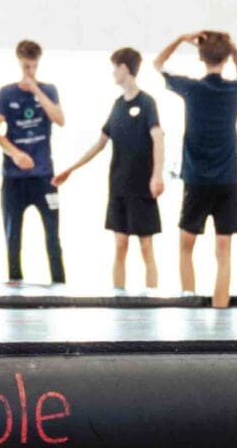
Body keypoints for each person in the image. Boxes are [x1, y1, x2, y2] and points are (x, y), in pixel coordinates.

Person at [57, 48, 166, 290]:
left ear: (124, 68)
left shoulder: (147, 103)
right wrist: (70, 169)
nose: (113, 73)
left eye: (115, 68)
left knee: (146, 246)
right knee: (120, 245)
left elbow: (158, 137)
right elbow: (100, 143)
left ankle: (152, 298)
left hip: (142, 186)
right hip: (119, 185)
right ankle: (118, 296)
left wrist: (157, 175)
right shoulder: (117, 105)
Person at [156, 30, 237, 309]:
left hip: (196, 180)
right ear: (226, 58)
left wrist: (180, 38)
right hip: (227, 180)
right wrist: (233, 49)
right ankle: (220, 308)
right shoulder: (235, 91)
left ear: (200, 56)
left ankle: (189, 304)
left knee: (186, 245)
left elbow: (158, 64)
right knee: (224, 250)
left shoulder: (192, 89)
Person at [0, 41, 67, 284]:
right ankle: (15, 285)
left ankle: (59, 286)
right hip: (14, 178)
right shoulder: (6, 93)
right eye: (26, 66)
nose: (30, 71)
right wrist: (15, 154)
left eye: (34, 66)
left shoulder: (49, 90)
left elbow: (59, 119)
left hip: (44, 176)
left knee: (53, 236)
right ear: (19, 62)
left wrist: (35, 89)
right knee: (13, 236)